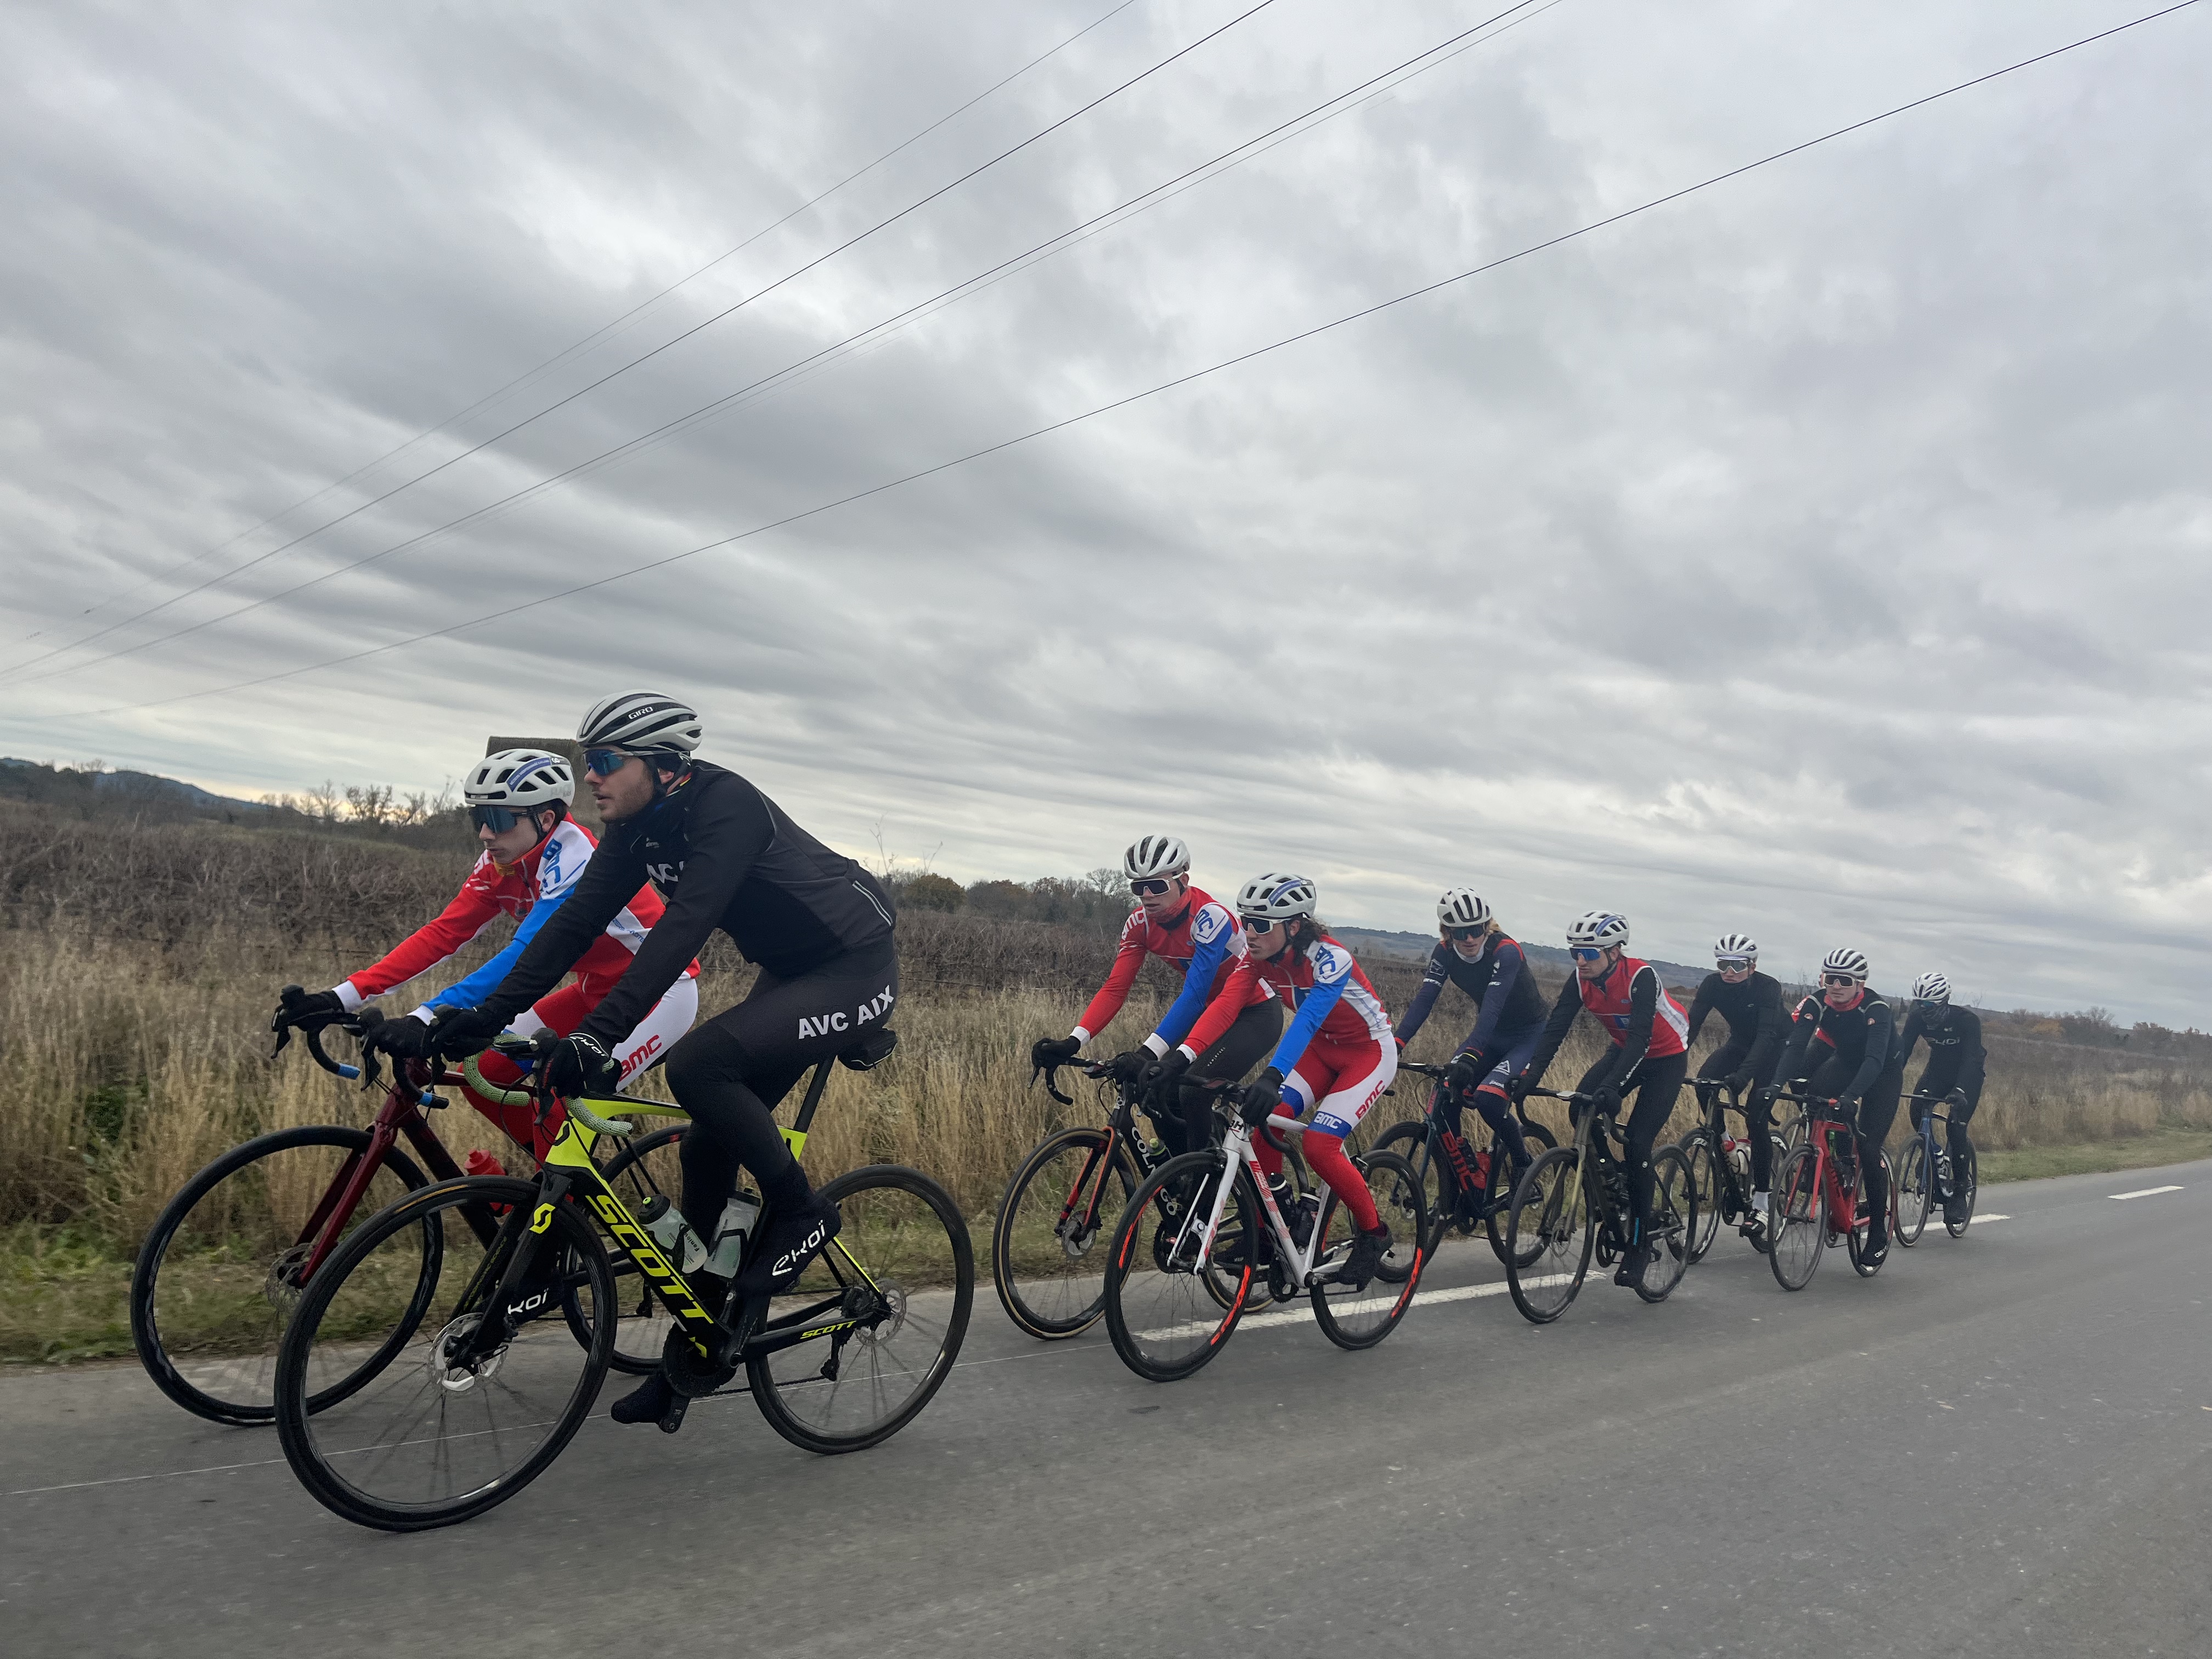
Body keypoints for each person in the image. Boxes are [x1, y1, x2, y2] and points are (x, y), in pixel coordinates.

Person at [421, 692, 898, 1427]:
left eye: (607, 762)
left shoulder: (726, 807)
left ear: (666, 765)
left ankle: (804, 1212)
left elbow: (682, 930)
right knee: (709, 1142)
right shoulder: (636, 826)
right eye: (589, 763)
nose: (592, 779)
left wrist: (599, 1036)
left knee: (699, 1067)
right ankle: (697, 1350)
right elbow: (574, 928)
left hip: (855, 967)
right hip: (793, 970)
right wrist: (472, 1021)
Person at [279, 748, 699, 1160]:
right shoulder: (502, 862)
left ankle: (557, 1211)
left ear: (546, 819)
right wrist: (343, 996)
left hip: (659, 996)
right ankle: (550, 1201)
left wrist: (426, 1016)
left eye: (497, 820)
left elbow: (526, 955)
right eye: (478, 819)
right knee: (487, 1079)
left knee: (566, 1092)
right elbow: (443, 934)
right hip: (594, 990)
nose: (484, 833)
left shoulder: (578, 860)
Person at [1181, 872, 1398, 1288]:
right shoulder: (1258, 957)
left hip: (1368, 1053)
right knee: (1264, 1117)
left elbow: (1309, 1019)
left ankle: (1373, 1234)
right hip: (1323, 1049)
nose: (1248, 932)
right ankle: (1275, 1223)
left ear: (1293, 927)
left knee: (1320, 1144)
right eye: (1245, 921)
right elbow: (1226, 1006)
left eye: (1260, 924)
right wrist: (1183, 1057)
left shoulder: (1330, 959)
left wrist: (1272, 1075)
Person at [1028, 836, 1280, 1158]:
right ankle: (1180, 1173)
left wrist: (1147, 1053)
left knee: (1190, 1092)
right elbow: (1116, 989)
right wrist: (1074, 1041)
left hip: (1255, 1015)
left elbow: (1194, 995)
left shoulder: (1209, 918)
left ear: (1183, 881)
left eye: (1157, 886)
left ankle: (1203, 1181)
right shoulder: (1139, 925)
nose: (1147, 895)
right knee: (1153, 1090)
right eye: (1138, 887)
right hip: (1211, 1013)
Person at [1514, 911, 1689, 1291]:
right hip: (1625, 1050)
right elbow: (1554, 1030)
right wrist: (1530, 1076)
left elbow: (1642, 1037)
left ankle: (1640, 1245)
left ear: (1614, 952)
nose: (1580, 961)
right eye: (1575, 952)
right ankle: (1614, 1182)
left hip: (1665, 1058)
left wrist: (1613, 1087)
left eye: (1589, 954)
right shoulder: (1581, 980)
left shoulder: (1640, 977)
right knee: (1581, 1107)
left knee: (1639, 1141)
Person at [1393, 888, 1542, 1205]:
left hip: (1527, 1036)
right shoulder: (1444, 953)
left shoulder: (1506, 951)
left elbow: (1492, 1007)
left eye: (1477, 929)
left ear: (1488, 926)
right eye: (1461, 932)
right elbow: (1424, 1001)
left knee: (1489, 1100)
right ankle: (1465, 1178)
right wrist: (1397, 1042)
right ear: (1447, 932)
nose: (1471, 938)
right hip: (1492, 1033)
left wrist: (1472, 1055)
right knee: (1443, 1098)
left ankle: (1522, 1164)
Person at [1763, 946, 1902, 1265]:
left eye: (1843, 980)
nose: (1835, 986)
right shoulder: (1816, 1002)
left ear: (1859, 985)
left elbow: (1874, 1061)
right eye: (1829, 978)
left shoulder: (1876, 1008)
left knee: (1868, 1146)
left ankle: (1879, 1232)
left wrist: (1852, 1097)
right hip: (1845, 1059)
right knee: (1815, 1098)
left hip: (1882, 1072)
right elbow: (1798, 1044)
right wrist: (1775, 1084)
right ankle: (1829, 1162)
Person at [1683, 931, 1787, 1231]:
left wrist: (1743, 1077)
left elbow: (1766, 1036)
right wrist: (1673, 1061)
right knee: (1705, 1083)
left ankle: (1762, 1203)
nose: (1729, 972)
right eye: (1723, 964)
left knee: (1756, 1116)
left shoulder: (1768, 987)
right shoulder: (1712, 984)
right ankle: (1728, 1145)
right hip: (1740, 1043)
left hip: (1775, 1048)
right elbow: (1691, 1028)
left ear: (1752, 967)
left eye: (1737, 965)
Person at [1896, 970, 1984, 1225]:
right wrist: (1888, 1080)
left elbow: (1971, 1059)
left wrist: (1961, 1091)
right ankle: (1933, 1154)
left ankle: (1959, 1192)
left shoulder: (1967, 1021)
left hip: (1968, 1074)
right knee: (1917, 1110)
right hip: (1937, 1072)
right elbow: (1904, 1051)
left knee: (1955, 1126)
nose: (1923, 1010)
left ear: (1944, 1001)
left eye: (1929, 1005)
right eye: (1918, 1004)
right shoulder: (1917, 1018)